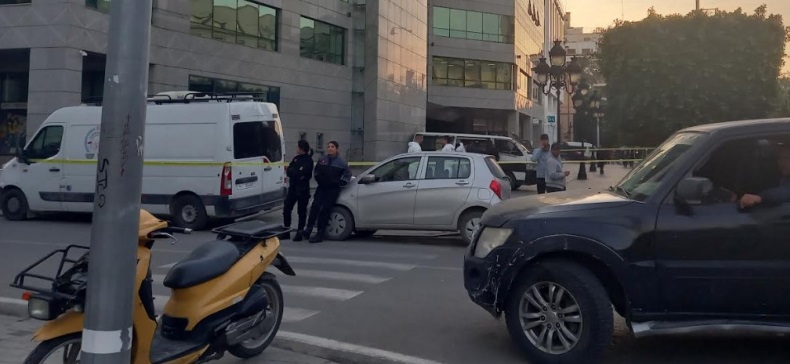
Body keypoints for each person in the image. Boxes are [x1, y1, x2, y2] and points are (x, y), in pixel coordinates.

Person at [304, 141, 352, 243]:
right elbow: (316, 171)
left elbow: (347, 175)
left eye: (332, 147)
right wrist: (318, 179)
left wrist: (339, 183)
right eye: (328, 146)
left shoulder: (342, 162)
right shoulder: (322, 160)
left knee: (325, 210)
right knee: (315, 207)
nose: (330, 148)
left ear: (337, 149)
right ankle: (308, 229)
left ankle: (320, 234)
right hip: (321, 187)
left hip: (333, 190)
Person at [282, 140, 314, 241]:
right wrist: (295, 172)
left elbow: (304, 174)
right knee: (286, 209)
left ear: (301, 148)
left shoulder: (308, 160)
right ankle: (286, 230)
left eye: (298, 147)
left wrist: (295, 173)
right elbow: (289, 171)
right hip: (292, 189)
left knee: (301, 212)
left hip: (302, 190)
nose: (296, 148)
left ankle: (300, 232)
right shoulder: (296, 159)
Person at [740, 144, 790, 209]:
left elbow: (785, 192)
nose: (782, 162)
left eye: (788, 158)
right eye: (780, 158)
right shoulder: (781, 178)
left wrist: (760, 198)